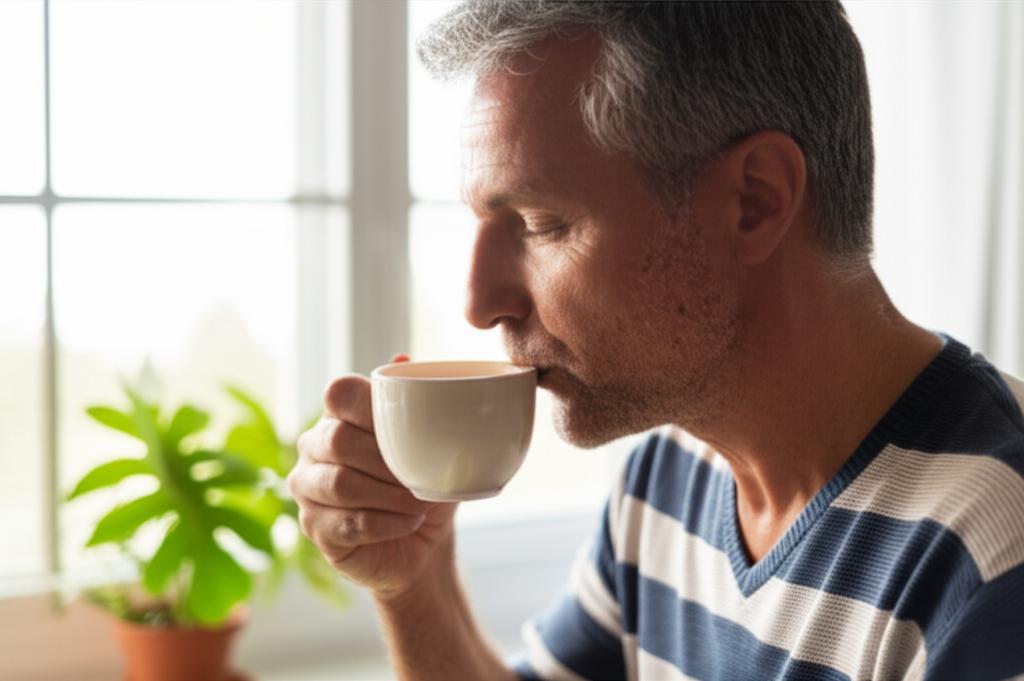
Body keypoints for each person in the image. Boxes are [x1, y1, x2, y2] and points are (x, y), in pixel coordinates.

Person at [287, 2, 1024, 679]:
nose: (480, 303)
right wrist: (416, 584)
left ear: (754, 201)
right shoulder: (669, 477)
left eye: (541, 224)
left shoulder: (993, 554)